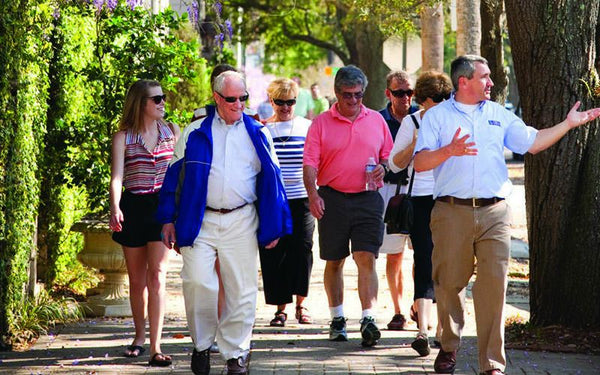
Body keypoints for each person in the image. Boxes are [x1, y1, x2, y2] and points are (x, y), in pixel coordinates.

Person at [414, 55, 600, 375]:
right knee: (448, 285)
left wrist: (569, 124)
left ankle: (492, 363)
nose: (491, 83)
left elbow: (533, 142)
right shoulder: (437, 117)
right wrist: (449, 151)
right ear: (464, 82)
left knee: (494, 286)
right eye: (484, 77)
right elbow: (419, 163)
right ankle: (448, 346)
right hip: (451, 211)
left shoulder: (499, 114)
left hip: (495, 213)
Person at [157, 71, 292, 375]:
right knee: (197, 282)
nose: (237, 104)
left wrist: (277, 223)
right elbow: (172, 178)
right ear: (217, 98)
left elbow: (274, 180)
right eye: (231, 99)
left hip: (242, 218)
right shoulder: (195, 132)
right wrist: (167, 218)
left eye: (242, 98)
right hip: (200, 219)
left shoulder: (258, 132)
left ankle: (236, 354)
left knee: (241, 289)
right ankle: (203, 345)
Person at [303, 65, 393, 347]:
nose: (353, 101)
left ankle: (368, 319)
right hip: (332, 198)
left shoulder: (376, 120)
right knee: (335, 260)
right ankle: (338, 318)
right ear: (336, 93)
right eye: (347, 95)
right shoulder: (320, 123)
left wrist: (382, 168)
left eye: (358, 95)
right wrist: (312, 194)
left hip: (368, 198)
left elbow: (388, 157)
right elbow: (309, 164)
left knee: (367, 257)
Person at [109, 79, 179, 367]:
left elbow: (178, 174)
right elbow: (117, 177)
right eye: (157, 99)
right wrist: (114, 206)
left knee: (158, 275)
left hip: (162, 207)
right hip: (134, 206)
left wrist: (178, 211)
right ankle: (139, 337)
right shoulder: (123, 137)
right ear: (141, 104)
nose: (163, 103)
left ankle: (155, 346)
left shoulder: (172, 131)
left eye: (163, 98)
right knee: (137, 280)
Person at [389, 71, 453, 357]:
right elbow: (393, 165)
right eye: (436, 99)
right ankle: (423, 331)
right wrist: (416, 143)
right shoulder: (412, 122)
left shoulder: (455, 122)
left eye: (446, 97)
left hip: (451, 198)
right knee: (424, 261)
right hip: (421, 199)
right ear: (423, 100)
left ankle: (443, 329)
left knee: (448, 264)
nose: (442, 103)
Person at [260, 78, 315, 327]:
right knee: (276, 253)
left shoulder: (307, 127)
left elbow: (316, 162)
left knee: (302, 249)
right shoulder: (263, 129)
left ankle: (302, 305)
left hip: (302, 198)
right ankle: (280, 308)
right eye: (280, 102)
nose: (285, 107)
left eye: (290, 102)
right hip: (274, 201)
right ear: (271, 101)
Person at [378, 70, 415, 331]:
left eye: (409, 92)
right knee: (394, 255)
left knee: (423, 254)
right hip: (390, 192)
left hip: (418, 191)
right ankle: (398, 310)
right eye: (399, 93)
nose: (405, 98)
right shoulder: (378, 120)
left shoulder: (421, 118)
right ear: (388, 93)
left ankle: (418, 305)